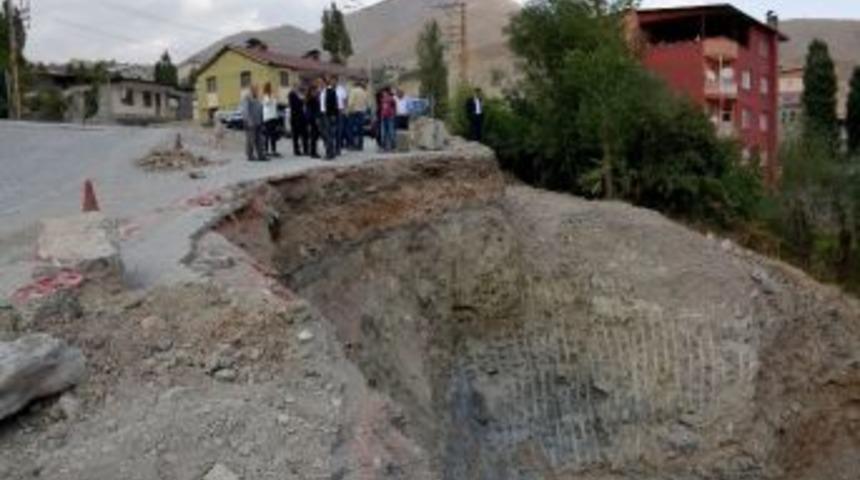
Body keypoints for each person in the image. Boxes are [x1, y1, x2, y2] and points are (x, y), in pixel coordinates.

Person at [240, 85, 266, 162]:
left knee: (260, 139)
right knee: (250, 139)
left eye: (257, 89)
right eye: (256, 89)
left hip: (258, 121)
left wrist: (262, 120)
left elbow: (260, 109)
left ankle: (261, 155)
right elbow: (245, 110)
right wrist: (248, 120)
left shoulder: (257, 98)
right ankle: (250, 155)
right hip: (250, 122)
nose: (257, 91)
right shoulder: (247, 98)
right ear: (251, 90)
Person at [321, 76, 340, 160]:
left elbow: (334, 104)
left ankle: (330, 153)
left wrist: (333, 115)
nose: (320, 84)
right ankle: (330, 152)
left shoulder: (330, 91)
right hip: (323, 114)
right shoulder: (323, 91)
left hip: (328, 115)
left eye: (321, 82)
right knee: (327, 134)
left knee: (328, 134)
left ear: (325, 83)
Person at [347, 81, 370, 151]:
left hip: (353, 112)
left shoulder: (353, 91)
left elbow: (351, 102)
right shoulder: (364, 92)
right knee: (360, 129)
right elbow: (367, 103)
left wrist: (348, 110)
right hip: (362, 112)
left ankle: (352, 145)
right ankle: (360, 145)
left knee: (350, 129)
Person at [261, 83, 281, 158]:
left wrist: (274, 97)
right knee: (267, 135)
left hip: (273, 117)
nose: (272, 89)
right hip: (267, 118)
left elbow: (275, 105)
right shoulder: (265, 96)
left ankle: (273, 150)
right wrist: (271, 97)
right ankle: (266, 151)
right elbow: (267, 103)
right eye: (270, 87)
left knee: (273, 135)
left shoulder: (272, 96)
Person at [289, 84, 309, 156]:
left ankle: (306, 149)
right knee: (296, 135)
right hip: (295, 118)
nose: (297, 88)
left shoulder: (301, 95)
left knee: (304, 134)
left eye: (297, 87)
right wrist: (302, 101)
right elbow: (295, 105)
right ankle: (296, 150)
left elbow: (305, 102)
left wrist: (303, 99)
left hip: (302, 118)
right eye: (295, 87)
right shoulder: (292, 95)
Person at [306, 81, 322, 159]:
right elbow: (314, 110)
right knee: (314, 136)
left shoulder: (310, 98)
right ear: (312, 91)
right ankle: (313, 152)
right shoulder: (312, 99)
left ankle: (313, 151)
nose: (316, 92)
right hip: (313, 119)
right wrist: (316, 119)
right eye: (315, 90)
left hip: (312, 118)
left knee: (314, 136)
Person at [379, 87, 397, 152]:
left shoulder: (391, 99)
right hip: (383, 117)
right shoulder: (382, 100)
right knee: (383, 133)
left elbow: (394, 108)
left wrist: (393, 115)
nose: (383, 94)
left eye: (384, 92)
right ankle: (384, 147)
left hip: (390, 117)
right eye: (383, 93)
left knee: (391, 132)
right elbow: (382, 109)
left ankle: (393, 147)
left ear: (387, 93)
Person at [336, 77, 349, 153]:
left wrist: (344, 109)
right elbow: (345, 100)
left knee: (340, 128)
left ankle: (340, 144)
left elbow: (345, 100)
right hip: (337, 111)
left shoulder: (341, 90)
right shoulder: (339, 90)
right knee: (340, 128)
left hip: (340, 111)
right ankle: (339, 144)